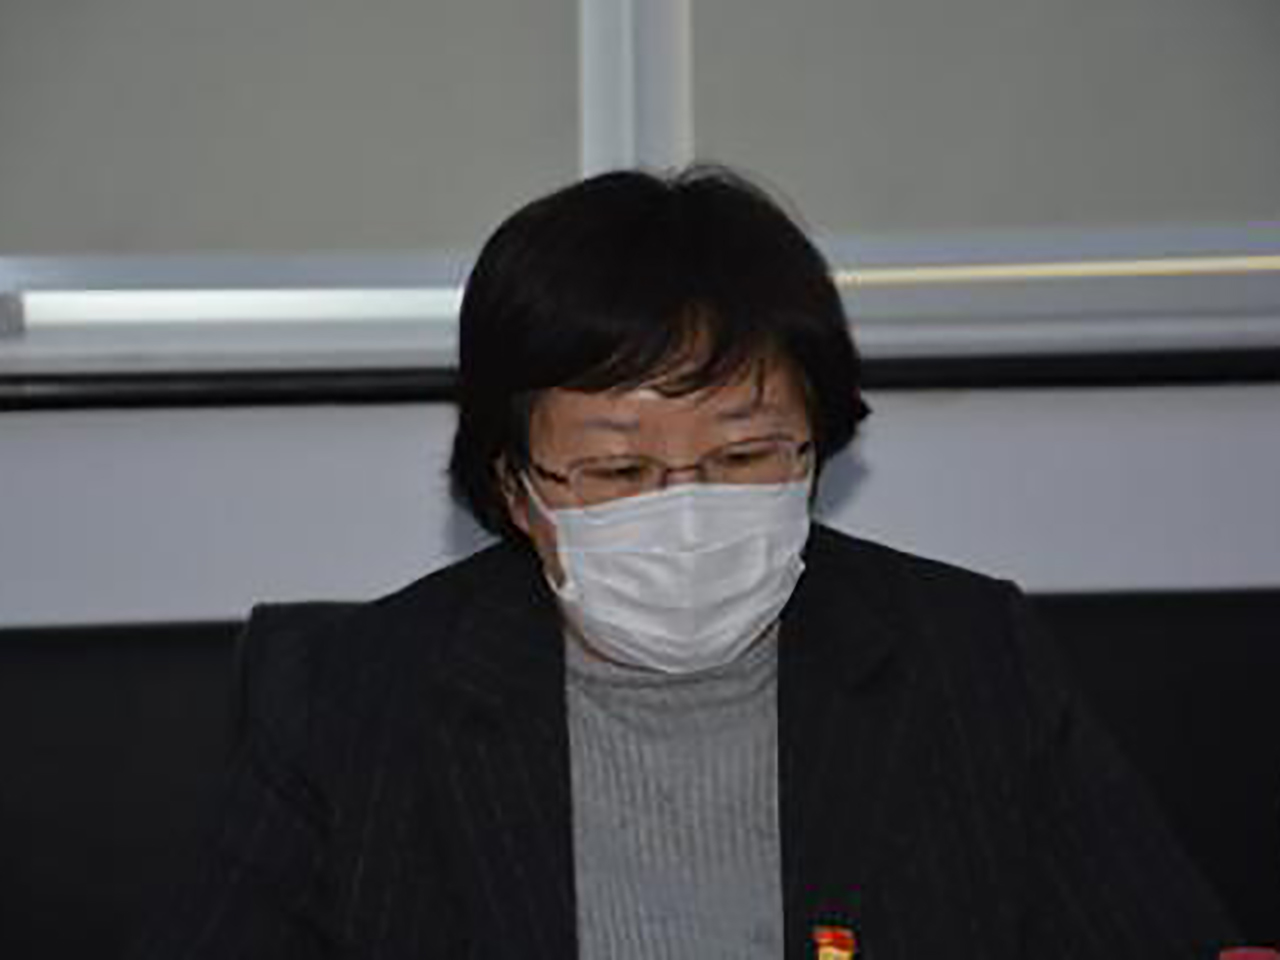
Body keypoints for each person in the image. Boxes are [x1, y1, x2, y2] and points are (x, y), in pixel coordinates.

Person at [136, 167, 1241, 959]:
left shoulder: (969, 661)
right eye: (617, 472)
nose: (685, 511)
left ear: (816, 452)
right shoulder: (353, 698)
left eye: (742, 456)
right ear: (515, 490)